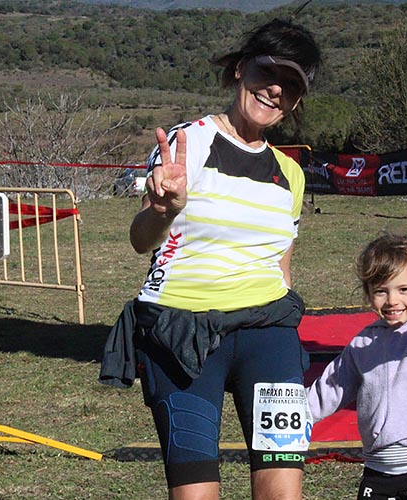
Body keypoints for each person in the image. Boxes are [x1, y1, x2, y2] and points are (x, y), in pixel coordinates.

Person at [127, 18, 321, 500]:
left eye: (291, 84)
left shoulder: (290, 174)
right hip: (183, 333)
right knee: (195, 494)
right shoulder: (185, 145)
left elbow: (281, 265)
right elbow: (141, 240)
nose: (274, 89)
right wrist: (162, 209)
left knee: (283, 493)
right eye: (267, 72)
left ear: (296, 101)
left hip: (269, 335)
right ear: (240, 69)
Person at [306, 233, 407, 500]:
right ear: (368, 293)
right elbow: (330, 388)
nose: (392, 300)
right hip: (378, 468)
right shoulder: (363, 342)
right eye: (381, 291)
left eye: (404, 289)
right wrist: (292, 412)